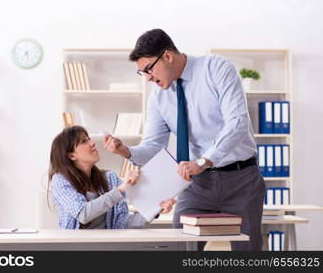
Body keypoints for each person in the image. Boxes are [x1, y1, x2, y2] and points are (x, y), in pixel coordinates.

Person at [104, 29, 265, 250]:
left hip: (241, 179)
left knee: (248, 253)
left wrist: (204, 161)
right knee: (180, 248)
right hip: (195, 185)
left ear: (167, 56)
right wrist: (126, 151)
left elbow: (236, 123)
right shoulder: (159, 98)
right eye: (142, 73)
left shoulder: (216, 69)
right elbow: (152, 146)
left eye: (149, 69)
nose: (148, 78)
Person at [48, 125, 176, 229]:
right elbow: (83, 214)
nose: (92, 143)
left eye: (89, 138)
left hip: (109, 245)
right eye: (84, 141)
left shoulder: (110, 178)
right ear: (71, 156)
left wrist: (155, 210)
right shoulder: (60, 181)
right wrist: (120, 190)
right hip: (77, 247)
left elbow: (122, 224)